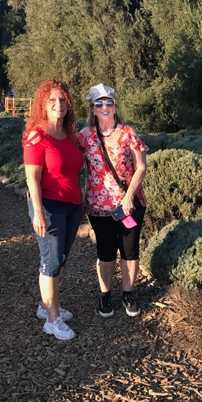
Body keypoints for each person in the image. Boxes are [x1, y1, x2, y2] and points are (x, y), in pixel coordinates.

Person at [77, 83, 148, 318]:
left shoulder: (129, 133)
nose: (105, 107)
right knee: (105, 252)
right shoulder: (84, 136)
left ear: (115, 106)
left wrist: (128, 197)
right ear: (93, 108)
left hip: (129, 205)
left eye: (109, 102)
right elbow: (70, 162)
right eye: (99, 103)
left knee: (130, 251)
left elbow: (141, 167)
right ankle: (105, 295)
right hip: (98, 207)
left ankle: (128, 294)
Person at [23, 79, 84, 341]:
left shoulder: (68, 134)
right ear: (43, 106)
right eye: (52, 101)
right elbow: (31, 179)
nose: (58, 104)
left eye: (62, 100)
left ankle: (45, 305)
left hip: (72, 205)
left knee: (60, 259)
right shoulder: (37, 135)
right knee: (51, 261)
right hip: (48, 205)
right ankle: (52, 319)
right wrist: (38, 212)